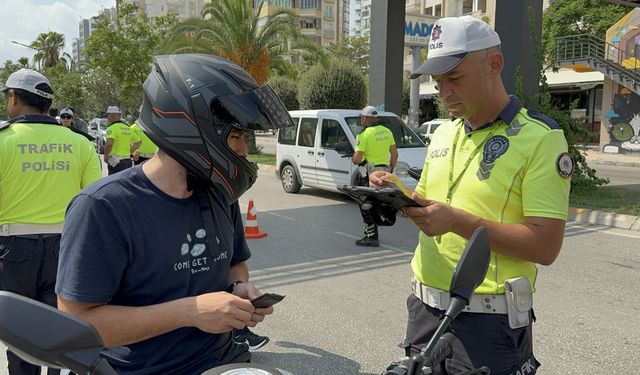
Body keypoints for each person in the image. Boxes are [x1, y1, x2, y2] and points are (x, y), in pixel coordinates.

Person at [55, 54, 293, 374]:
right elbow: (76, 323)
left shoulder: (218, 195)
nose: (243, 152)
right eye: (235, 137)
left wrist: (238, 289)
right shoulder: (103, 207)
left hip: (221, 361)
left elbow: (235, 263)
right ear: (192, 128)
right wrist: (190, 312)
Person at [370, 16, 572, 375]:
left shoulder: (541, 138)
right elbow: (431, 203)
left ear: (494, 65)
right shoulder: (445, 134)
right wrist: (398, 193)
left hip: (488, 324)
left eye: (455, 78)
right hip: (424, 310)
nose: (443, 92)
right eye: (437, 81)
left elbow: (546, 247)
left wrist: (457, 222)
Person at [0, 69, 102, 375]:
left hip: (13, 251)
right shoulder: (80, 143)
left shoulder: (3, 141)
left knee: (20, 333)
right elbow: (95, 202)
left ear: (14, 98)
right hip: (67, 249)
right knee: (61, 329)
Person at [351, 105, 397, 247]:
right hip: (384, 173)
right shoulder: (387, 132)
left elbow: (358, 159)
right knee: (378, 201)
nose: (361, 120)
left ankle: (371, 236)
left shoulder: (364, 135)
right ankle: (376, 228)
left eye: (362, 117)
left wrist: (353, 159)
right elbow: (395, 154)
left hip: (368, 175)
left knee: (365, 203)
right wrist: (390, 168)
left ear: (366, 118)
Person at [103, 105, 140, 175]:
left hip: (116, 161)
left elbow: (109, 144)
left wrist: (106, 156)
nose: (107, 118)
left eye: (107, 116)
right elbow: (138, 142)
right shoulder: (128, 128)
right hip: (127, 161)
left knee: (114, 183)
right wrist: (130, 151)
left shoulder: (112, 128)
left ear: (112, 116)